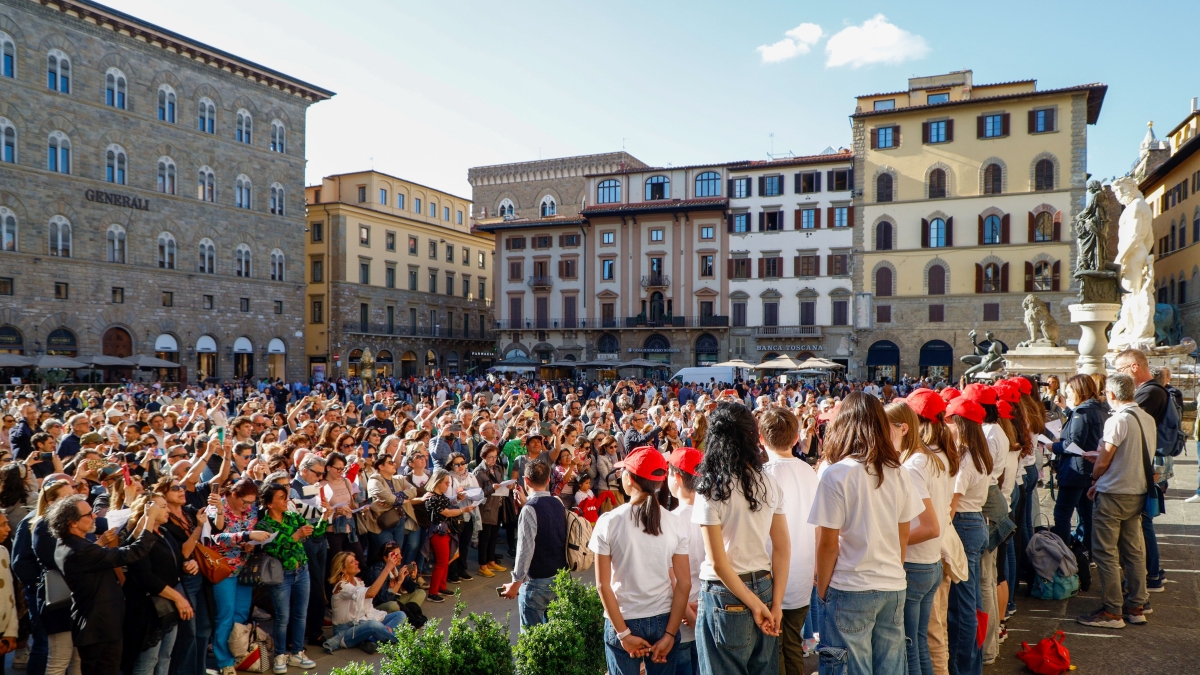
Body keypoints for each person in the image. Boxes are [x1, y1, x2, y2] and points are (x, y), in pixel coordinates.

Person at [809, 393, 925, 675]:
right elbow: (903, 533)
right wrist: (893, 571)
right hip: (892, 585)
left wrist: (822, 592)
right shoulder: (898, 471)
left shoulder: (837, 474)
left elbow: (827, 545)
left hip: (851, 585)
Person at [691, 402, 789, 675]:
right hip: (764, 587)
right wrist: (774, 604)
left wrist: (760, 606)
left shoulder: (711, 487)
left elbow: (719, 564)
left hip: (726, 593)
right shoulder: (768, 482)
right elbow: (782, 548)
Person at [589, 446, 690, 675]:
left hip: (623, 618)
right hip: (664, 620)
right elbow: (684, 583)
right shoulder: (674, 522)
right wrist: (670, 635)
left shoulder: (609, 521)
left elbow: (602, 585)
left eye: (624, 471)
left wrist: (623, 635)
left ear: (630, 479)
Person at [48, 493, 167, 675]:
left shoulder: (70, 544)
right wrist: (150, 518)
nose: (94, 516)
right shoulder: (80, 550)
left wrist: (143, 518)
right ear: (72, 522)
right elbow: (131, 553)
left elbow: (118, 551)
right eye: (88, 514)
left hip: (98, 625)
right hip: (100, 627)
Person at [1076, 373, 1155, 629]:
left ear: (1111, 394)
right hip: (1137, 490)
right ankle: (1136, 605)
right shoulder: (1147, 418)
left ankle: (1112, 611)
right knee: (1133, 550)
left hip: (1114, 493)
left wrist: (1095, 477)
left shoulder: (1118, 420)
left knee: (1106, 552)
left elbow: (1105, 459)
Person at [890, 393, 958, 675]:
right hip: (928, 564)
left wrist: (892, 541)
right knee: (919, 642)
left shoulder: (916, 464)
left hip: (917, 565)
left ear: (905, 427)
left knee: (911, 645)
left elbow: (930, 526)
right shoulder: (934, 458)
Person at [758, 407, 817, 675]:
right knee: (791, 643)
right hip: (802, 571)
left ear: (761, 438)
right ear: (796, 438)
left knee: (774, 649)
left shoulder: (761, 475)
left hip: (772, 574)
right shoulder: (808, 472)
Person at [122, 492, 196, 675]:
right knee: (148, 661)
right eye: (162, 507)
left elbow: (176, 560)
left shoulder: (164, 532)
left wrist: (187, 565)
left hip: (168, 607)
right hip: (148, 609)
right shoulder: (138, 540)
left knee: (165, 657)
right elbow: (146, 577)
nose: (168, 510)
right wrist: (178, 598)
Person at [945, 397, 992, 675]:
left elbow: (952, 504)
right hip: (974, 523)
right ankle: (972, 665)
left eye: (949, 420)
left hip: (964, 524)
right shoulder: (979, 452)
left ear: (958, 423)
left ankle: (964, 669)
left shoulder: (965, 457)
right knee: (972, 603)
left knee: (963, 609)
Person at [256, 482, 323, 673]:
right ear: (269, 503)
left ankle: (297, 652)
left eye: (286, 497)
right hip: (281, 576)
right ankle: (279, 655)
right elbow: (274, 549)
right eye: (281, 498)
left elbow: (315, 533)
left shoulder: (293, 516)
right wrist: (295, 536)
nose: (286, 501)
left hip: (302, 571)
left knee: (301, 614)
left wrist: (325, 516)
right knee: (282, 616)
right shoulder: (263, 525)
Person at [207, 479, 271, 675]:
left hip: (245, 569)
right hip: (224, 569)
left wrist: (250, 542)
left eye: (252, 503)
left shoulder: (250, 510)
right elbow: (216, 536)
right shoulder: (217, 506)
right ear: (233, 495)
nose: (249, 506)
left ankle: (237, 653)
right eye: (245, 502)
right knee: (225, 615)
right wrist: (246, 535)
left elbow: (248, 532)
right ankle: (224, 661)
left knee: (241, 614)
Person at [500, 461, 569, 630]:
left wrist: (516, 583)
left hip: (537, 583)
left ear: (526, 480)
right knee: (553, 638)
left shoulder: (530, 509)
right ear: (548, 480)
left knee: (532, 640)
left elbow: (525, 549)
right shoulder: (558, 503)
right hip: (560, 578)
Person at [1050, 375, 1107, 551]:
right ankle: (1087, 551)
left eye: (1069, 392)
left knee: (1062, 514)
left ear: (1078, 391)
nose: (1067, 395)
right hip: (1089, 468)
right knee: (1086, 513)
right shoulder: (1099, 408)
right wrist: (1066, 410)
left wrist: (1053, 446)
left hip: (1076, 469)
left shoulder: (1082, 412)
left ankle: (1063, 555)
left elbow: (1074, 443)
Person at [322, 550, 409, 654]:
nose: (357, 562)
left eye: (355, 560)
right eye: (352, 562)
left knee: (400, 615)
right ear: (343, 570)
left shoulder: (358, 581)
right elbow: (371, 594)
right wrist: (387, 568)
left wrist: (381, 627)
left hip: (363, 622)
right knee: (374, 625)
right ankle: (398, 639)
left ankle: (372, 640)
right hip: (346, 631)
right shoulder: (341, 586)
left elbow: (367, 609)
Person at [667, 447, 704, 675]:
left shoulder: (670, 521)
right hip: (706, 610)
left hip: (679, 617)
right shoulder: (714, 515)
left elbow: (669, 576)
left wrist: (688, 613)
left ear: (677, 478)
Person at [421, 468, 477, 603]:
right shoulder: (432, 497)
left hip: (446, 532)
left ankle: (441, 587)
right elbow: (446, 512)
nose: (448, 485)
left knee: (446, 561)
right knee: (441, 562)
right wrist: (463, 510)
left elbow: (449, 501)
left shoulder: (440, 496)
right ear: (438, 482)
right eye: (446, 483)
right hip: (438, 533)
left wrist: (457, 498)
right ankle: (433, 592)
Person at [472, 443, 509, 578]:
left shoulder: (498, 468)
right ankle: (483, 565)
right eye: (490, 457)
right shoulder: (478, 471)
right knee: (485, 537)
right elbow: (477, 493)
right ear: (483, 456)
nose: (493, 459)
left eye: (495, 456)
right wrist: (491, 488)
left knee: (494, 535)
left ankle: (491, 560)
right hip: (486, 507)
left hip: (498, 505)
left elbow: (501, 484)